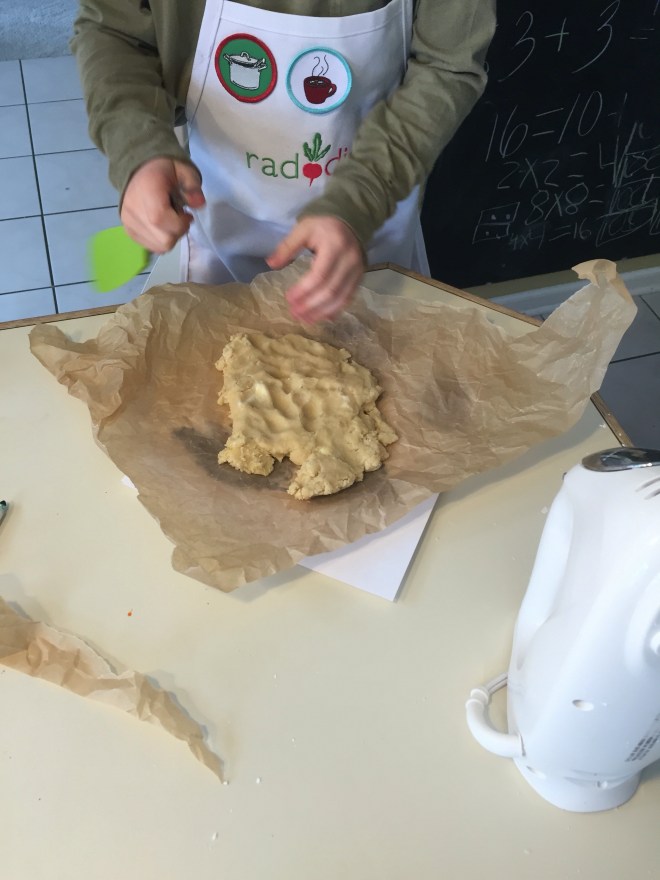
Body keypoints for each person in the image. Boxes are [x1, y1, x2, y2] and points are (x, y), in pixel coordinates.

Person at [72, 0, 496, 323]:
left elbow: (448, 66)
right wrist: (137, 148)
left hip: (374, 231)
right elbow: (115, 31)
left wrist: (362, 196)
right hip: (221, 224)